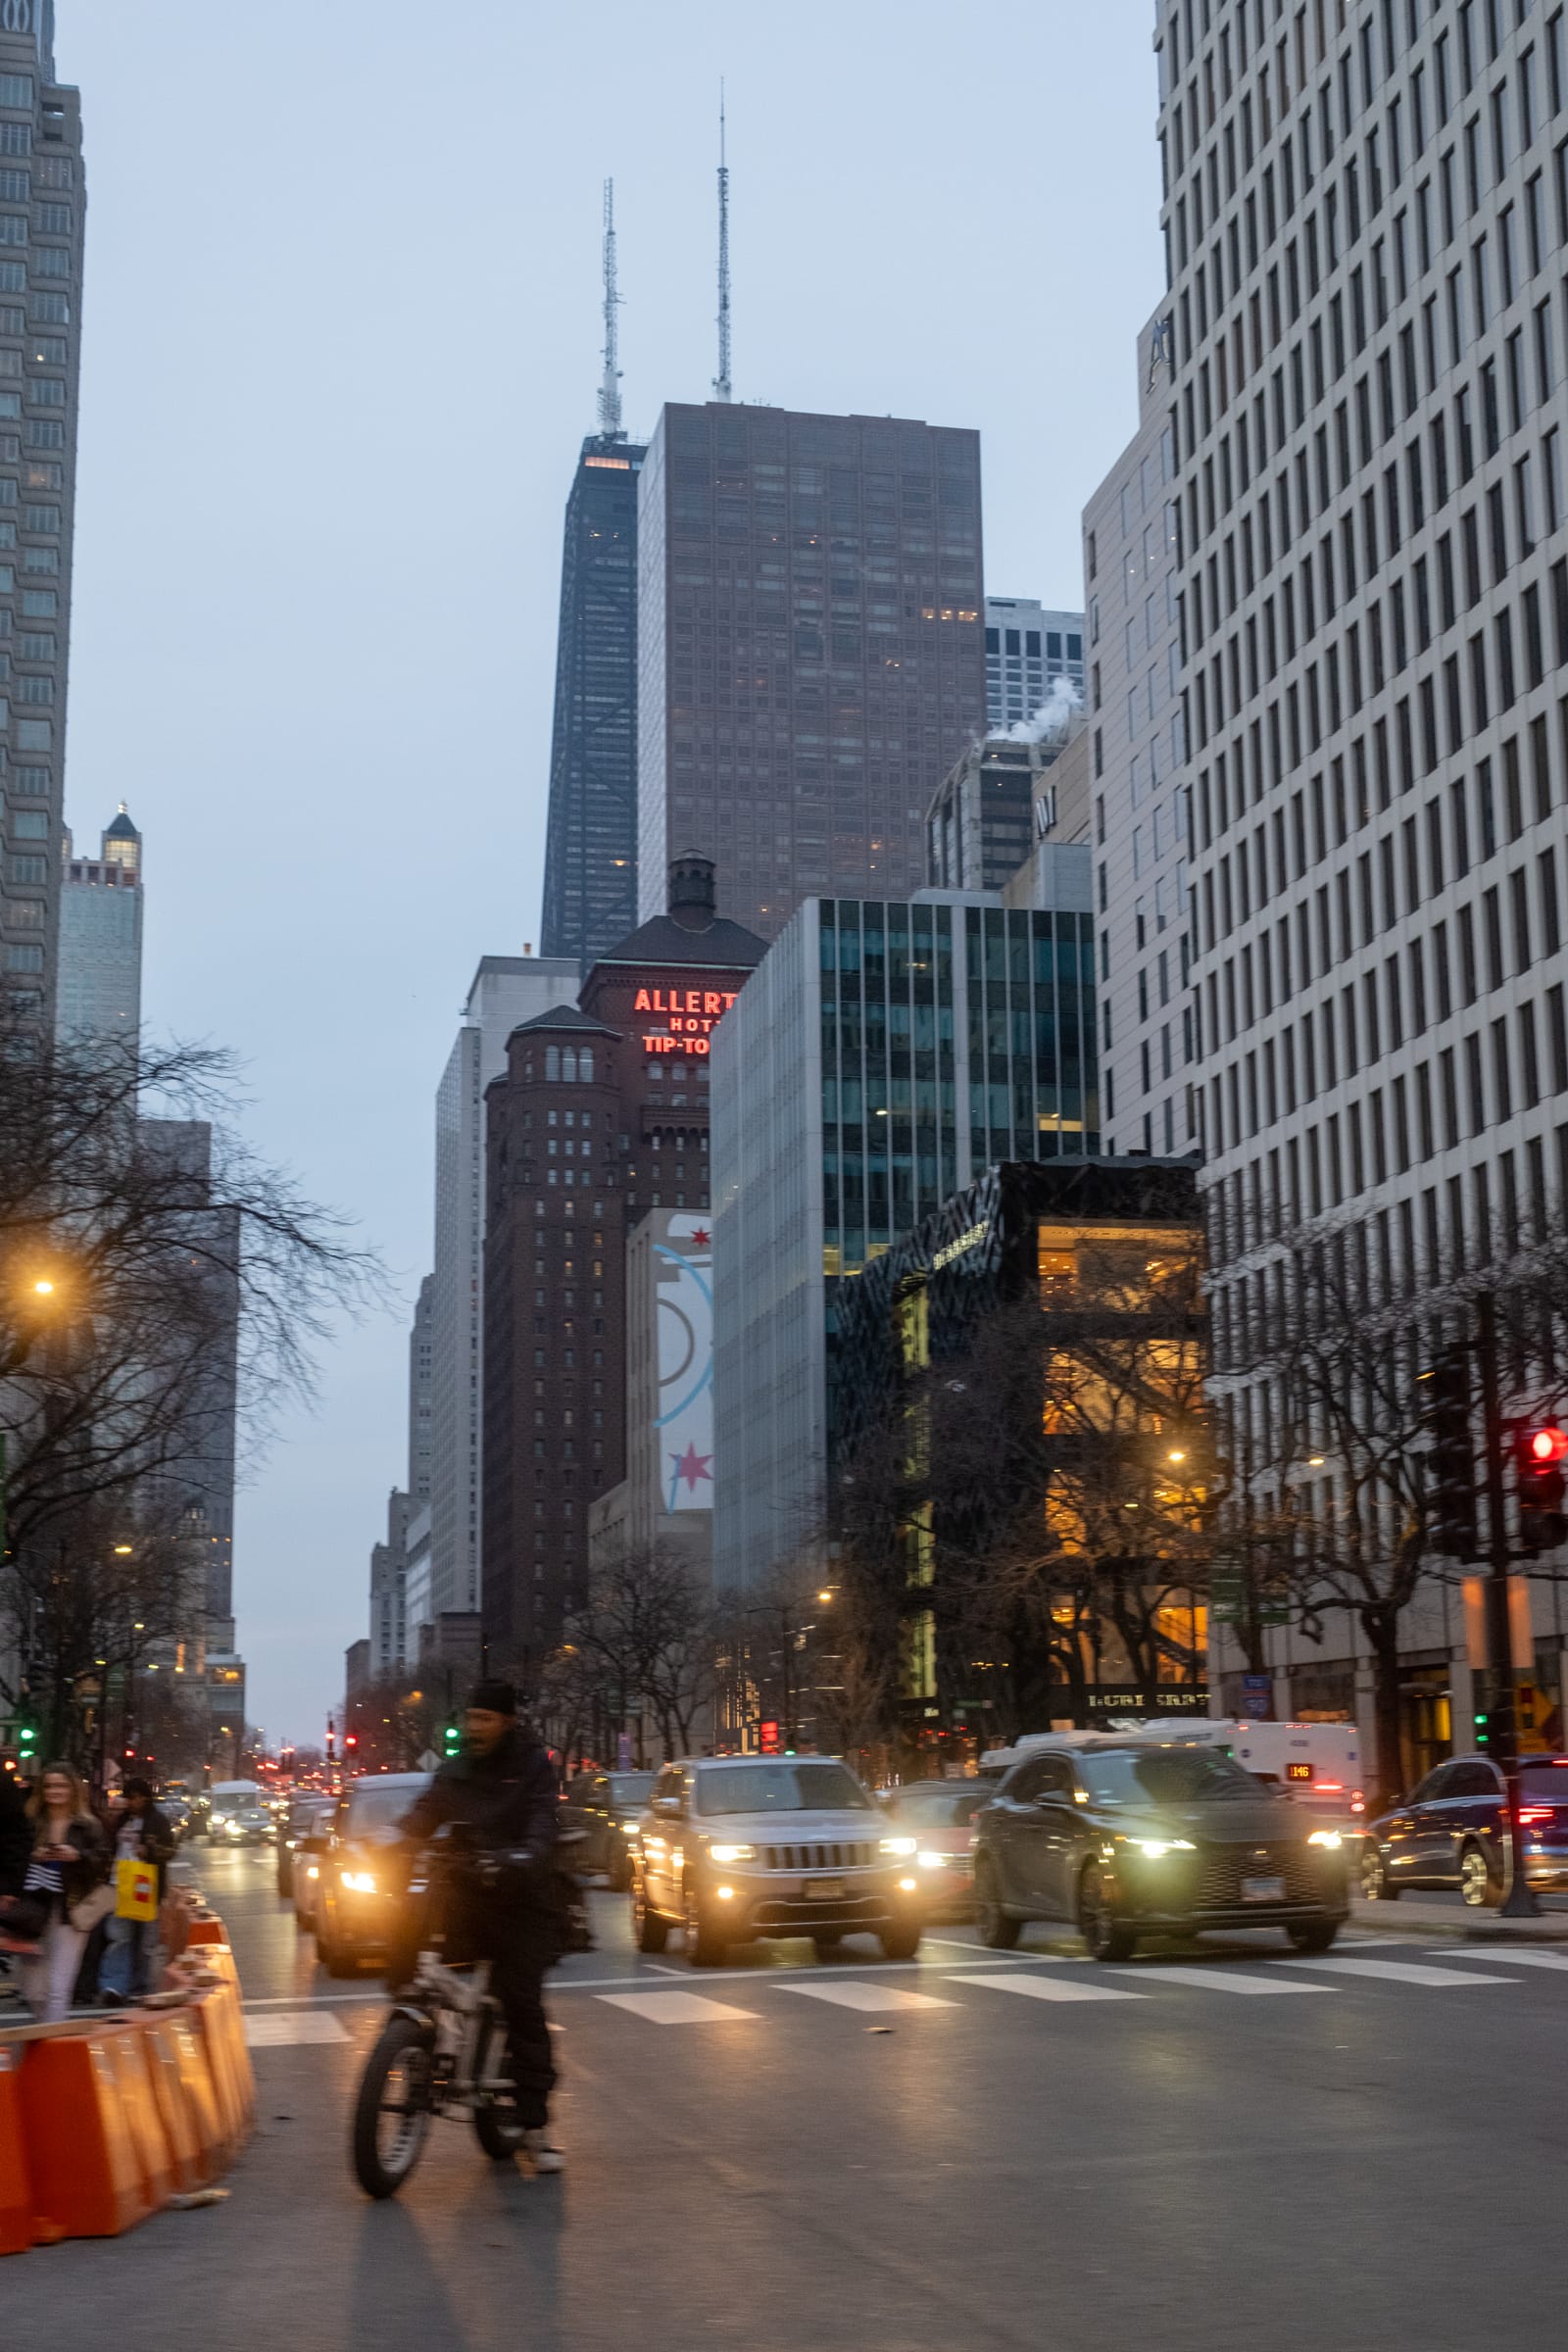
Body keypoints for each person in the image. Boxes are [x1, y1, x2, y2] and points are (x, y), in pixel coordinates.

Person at [397, 1680, 564, 2172]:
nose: (474, 1727)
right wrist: (396, 1840)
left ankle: (534, 2127)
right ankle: (407, 2031)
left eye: (485, 1719)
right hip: (468, 1890)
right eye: (471, 1717)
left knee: (521, 2002)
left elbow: (542, 1822)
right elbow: (427, 1811)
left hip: (522, 1899)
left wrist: (524, 1856)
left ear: (507, 1722)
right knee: (407, 1937)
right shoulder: (457, 1768)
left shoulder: (532, 1767)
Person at [19, 1763, 109, 2023]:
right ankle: (46, 2028)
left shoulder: (88, 1825)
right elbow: (12, 1857)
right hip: (32, 1910)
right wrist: (33, 1855)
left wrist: (78, 1856)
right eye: (48, 1786)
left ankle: (51, 2039)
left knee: (59, 1985)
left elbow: (104, 1862)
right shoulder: (31, 1822)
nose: (54, 1791)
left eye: (61, 1786)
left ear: (73, 1789)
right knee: (33, 1989)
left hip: (72, 1909)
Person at [100, 1777, 175, 2001]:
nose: (131, 1802)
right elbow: (109, 1847)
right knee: (119, 1938)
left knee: (145, 1942)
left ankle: (138, 1985)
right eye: (128, 1798)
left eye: (135, 1797)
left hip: (146, 1885)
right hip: (120, 1883)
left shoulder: (158, 1821)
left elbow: (170, 1850)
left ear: (145, 1798)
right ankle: (114, 1985)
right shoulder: (121, 1821)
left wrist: (149, 1852)